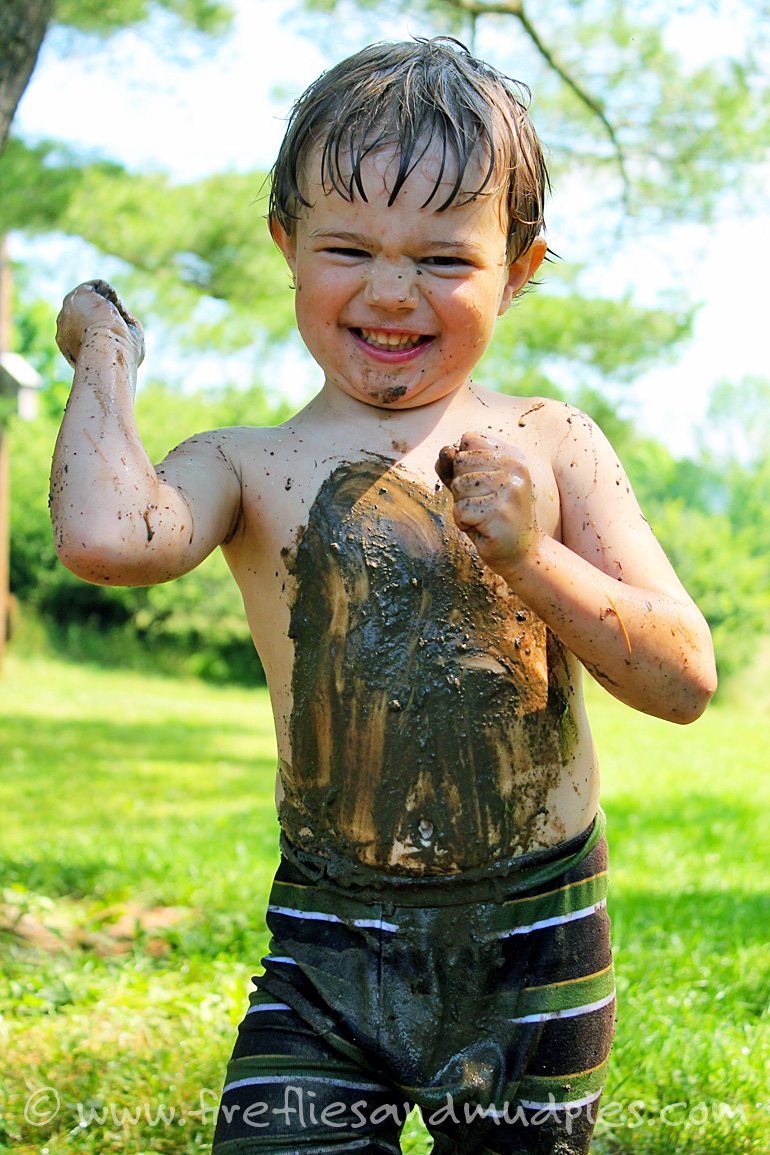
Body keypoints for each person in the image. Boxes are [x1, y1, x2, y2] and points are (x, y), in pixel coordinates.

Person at [50, 37, 716, 1155]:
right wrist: (104, 354)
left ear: (520, 264)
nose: (391, 292)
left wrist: (530, 559)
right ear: (286, 245)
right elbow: (110, 538)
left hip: (530, 947)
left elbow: (683, 679)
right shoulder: (243, 465)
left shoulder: (551, 441)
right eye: (348, 247)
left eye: (444, 261)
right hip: (325, 940)